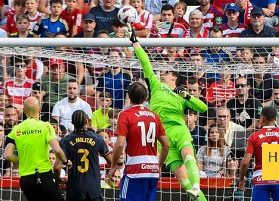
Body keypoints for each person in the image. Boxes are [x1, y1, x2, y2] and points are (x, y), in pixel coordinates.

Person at [131, 29, 208, 201]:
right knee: (182, 178)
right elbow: (146, 64)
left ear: (173, 78)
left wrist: (187, 96)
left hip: (178, 129)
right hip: (161, 136)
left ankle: (197, 185)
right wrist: (136, 44)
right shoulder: (157, 86)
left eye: (167, 74)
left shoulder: (181, 96)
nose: (163, 75)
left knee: (188, 155)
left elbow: (203, 108)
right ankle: (196, 192)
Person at [106, 82, 169, 201]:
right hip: (152, 171)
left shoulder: (125, 115)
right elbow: (166, 145)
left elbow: (119, 145)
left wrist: (113, 166)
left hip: (134, 170)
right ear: (146, 97)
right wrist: (158, 165)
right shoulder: (154, 116)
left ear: (129, 97)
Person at [4, 97, 71, 201]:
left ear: (24, 111)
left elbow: (7, 155)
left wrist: (22, 161)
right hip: (43, 175)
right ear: (40, 109)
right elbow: (57, 150)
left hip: (26, 179)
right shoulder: (46, 126)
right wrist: (66, 162)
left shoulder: (16, 129)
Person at [238, 106, 279, 201]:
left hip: (260, 178)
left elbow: (245, 162)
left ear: (262, 118)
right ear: (276, 118)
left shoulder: (254, 136)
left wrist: (241, 178)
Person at [59, 110, 113, 201]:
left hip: (74, 189)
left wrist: (58, 179)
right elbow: (111, 161)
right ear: (87, 121)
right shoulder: (97, 138)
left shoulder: (65, 141)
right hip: (93, 189)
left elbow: (57, 167)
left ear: (72, 122)